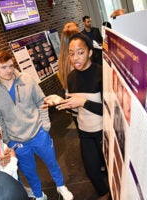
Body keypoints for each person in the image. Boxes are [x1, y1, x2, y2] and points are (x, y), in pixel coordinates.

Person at [0, 50, 73, 200]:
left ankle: (61, 186)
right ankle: (39, 195)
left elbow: (41, 101)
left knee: (52, 161)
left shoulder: (26, 79)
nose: (9, 71)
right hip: (16, 140)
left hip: (38, 132)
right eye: (3, 67)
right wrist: (7, 140)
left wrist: (45, 126)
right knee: (29, 172)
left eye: (11, 66)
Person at [44, 33, 110, 200]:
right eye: (71, 53)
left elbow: (110, 110)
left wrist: (84, 102)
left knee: (113, 169)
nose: (75, 58)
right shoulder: (71, 77)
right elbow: (73, 104)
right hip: (85, 132)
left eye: (80, 52)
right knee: (92, 171)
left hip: (104, 131)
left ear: (89, 52)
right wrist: (60, 101)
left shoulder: (102, 73)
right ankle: (104, 194)